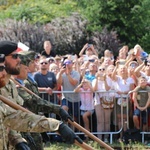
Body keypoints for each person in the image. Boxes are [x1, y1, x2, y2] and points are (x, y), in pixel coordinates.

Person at [0, 41, 82, 149]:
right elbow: (28, 108)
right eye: (15, 56)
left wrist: (18, 141)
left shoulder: (9, 85)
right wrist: (54, 124)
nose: (19, 60)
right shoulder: (15, 85)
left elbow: (11, 118)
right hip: (27, 128)